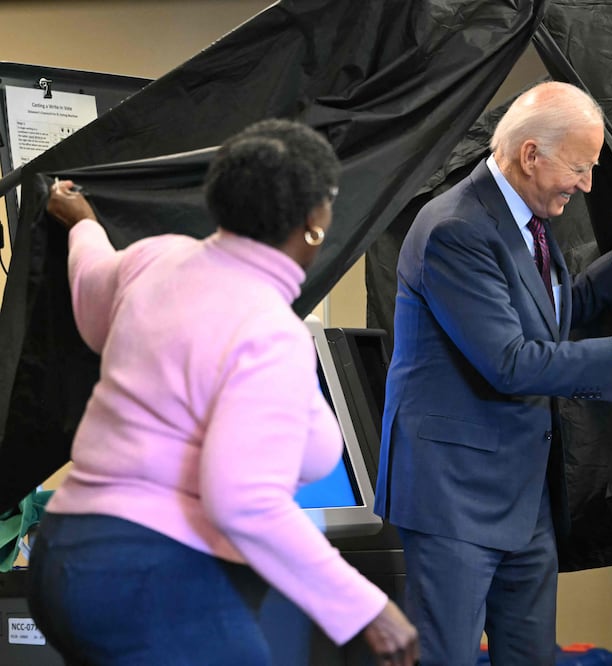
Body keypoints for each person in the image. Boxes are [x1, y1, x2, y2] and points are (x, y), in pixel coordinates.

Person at [27, 119, 419, 666]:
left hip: (64, 554)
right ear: (315, 222)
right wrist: (368, 607)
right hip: (154, 574)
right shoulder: (267, 329)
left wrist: (84, 224)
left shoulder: (155, 258)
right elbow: (245, 500)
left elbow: (91, 289)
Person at [373, 81, 612, 665]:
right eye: (580, 168)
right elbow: (510, 360)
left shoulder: (527, 217)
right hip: (454, 496)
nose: (585, 185)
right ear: (531, 155)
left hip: (525, 496)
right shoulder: (456, 228)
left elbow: (552, 314)